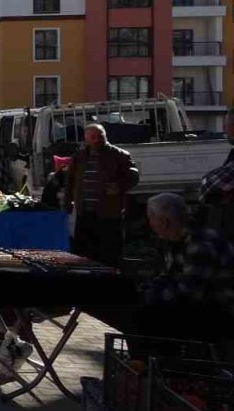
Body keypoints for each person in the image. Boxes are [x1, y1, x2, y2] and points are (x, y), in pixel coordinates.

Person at [136, 193, 234, 342]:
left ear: (165, 221)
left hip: (222, 310)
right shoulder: (174, 241)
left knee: (149, 317)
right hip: (203, 306)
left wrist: (152, 297)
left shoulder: (200, 242)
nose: (150, 223)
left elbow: (191, 291)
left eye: (151, 217)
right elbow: (169, 276)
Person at [64, 123, 139, 268]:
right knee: (84, 252)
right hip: (84, 212)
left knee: (109, 252)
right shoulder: (79, 156)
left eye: (100, 136)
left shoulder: (119, 155)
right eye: (93, 137)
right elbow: (70, 181)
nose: (97, 140)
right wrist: (68, 203)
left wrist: (118, 186)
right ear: (86, 139)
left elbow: (133, 177)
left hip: (108, 213)